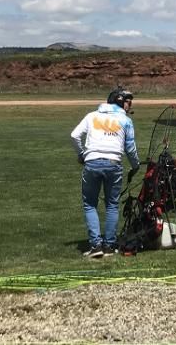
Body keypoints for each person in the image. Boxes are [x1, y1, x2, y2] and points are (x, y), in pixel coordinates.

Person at [70, 87, 139, 258]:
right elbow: (130, 148)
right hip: (114, 163)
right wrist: (135, 165)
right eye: (127, 101)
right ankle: (109, 245)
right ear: (119, 102)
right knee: (112, 205)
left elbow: (74, 135)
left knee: (89, 204)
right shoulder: (125, 121)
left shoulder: (92, 116)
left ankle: (96, 246)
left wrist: (81, 155)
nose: (129, 105)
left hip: (92, 162)